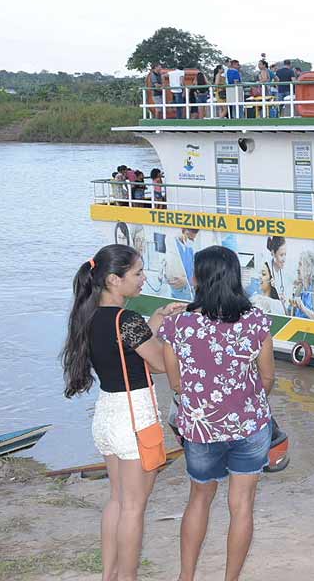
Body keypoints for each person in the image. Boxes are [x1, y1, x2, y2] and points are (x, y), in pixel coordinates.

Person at [60, 244, 185, 581]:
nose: (144, 279)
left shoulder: (89, 315)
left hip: (107, 413)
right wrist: (173, 337)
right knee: (134, 507)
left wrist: (155, 322)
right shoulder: (127, 320)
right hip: (135, 415)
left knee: (117, 501)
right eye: (138, 273)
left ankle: (109, 575)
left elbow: (124, 353)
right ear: (114, 279)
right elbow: (158, 364)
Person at [158, 246, 275, 581]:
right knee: (241, 508)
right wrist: (241, 403)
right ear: (236, 278)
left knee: (199, 499)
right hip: (249, 426)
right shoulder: (256, 323)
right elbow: (267, 378)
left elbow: (177, 382)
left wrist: (206, 403)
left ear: (197, 279)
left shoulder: (178, 325)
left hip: (200, 428)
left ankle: (186, 576)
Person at [164, 228, 200, 301]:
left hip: (189, 286)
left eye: (193, 239)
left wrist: (189, 281)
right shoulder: (173, 245)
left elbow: (192, 268)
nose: (191, 241)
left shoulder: (189, 249)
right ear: (183, 232)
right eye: (190, 238)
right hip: (178, 287)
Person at [290, 251, 314, 320]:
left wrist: (303, 308)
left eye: (300, 264)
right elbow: (290, 316)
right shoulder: (299, 289)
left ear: (309, 268)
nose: (297, 269)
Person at [265, 236, 289, 307]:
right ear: (273, 253)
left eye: (285, 254)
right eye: (281, 255)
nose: (284, 259)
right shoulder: (266, 271)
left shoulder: (285, 273)